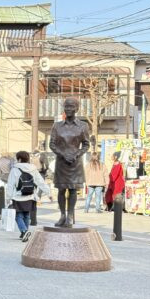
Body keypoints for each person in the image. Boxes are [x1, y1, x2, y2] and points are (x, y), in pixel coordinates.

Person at [48, 97, 91, 227]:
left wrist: (76, 154)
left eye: (71, 106)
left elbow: (86, 144)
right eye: (66, 106)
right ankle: (62, 215)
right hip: (61, 162)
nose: (68, 109)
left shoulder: (83, 126)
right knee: (61, 190)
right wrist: (62, 154)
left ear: (77, 109)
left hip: (75, 163)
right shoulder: (57, 126)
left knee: (72, 190)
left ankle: (71, 215)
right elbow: (52, 144)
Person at [6, 150, 52, 242]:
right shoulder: (33, 169)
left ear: (19, 159)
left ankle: (24, 231)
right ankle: (24, 233)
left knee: (18, 215)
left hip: (17, 196)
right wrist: (49, 193)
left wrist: (8, 198)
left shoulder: (15, 169)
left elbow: (10, 185)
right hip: (30, 196)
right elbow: (40, 182)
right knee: (27, 215)